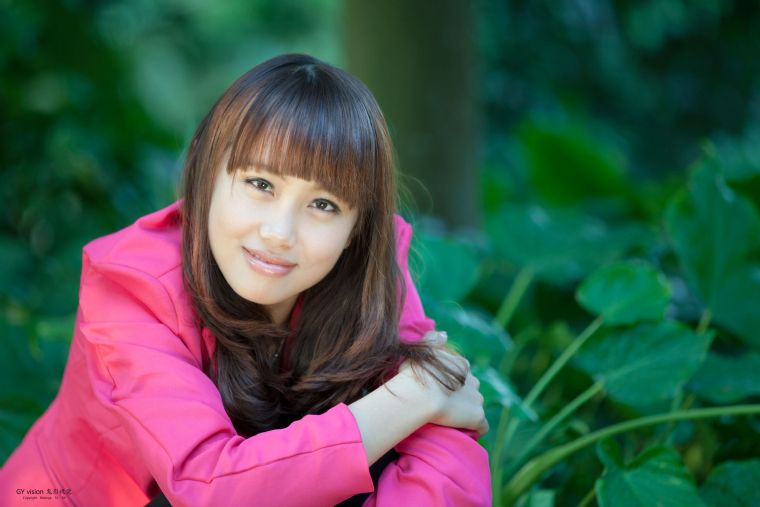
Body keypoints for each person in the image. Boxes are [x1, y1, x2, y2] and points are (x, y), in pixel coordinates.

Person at [0, 53, 490, 506]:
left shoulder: (367, 270)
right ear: (207, 172)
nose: (279, 233)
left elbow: (448, 453)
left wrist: (422, 400)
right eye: (260, 184)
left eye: (323, 205)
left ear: (356, 228)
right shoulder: (134, 287)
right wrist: (412, 397)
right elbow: (208, 484)